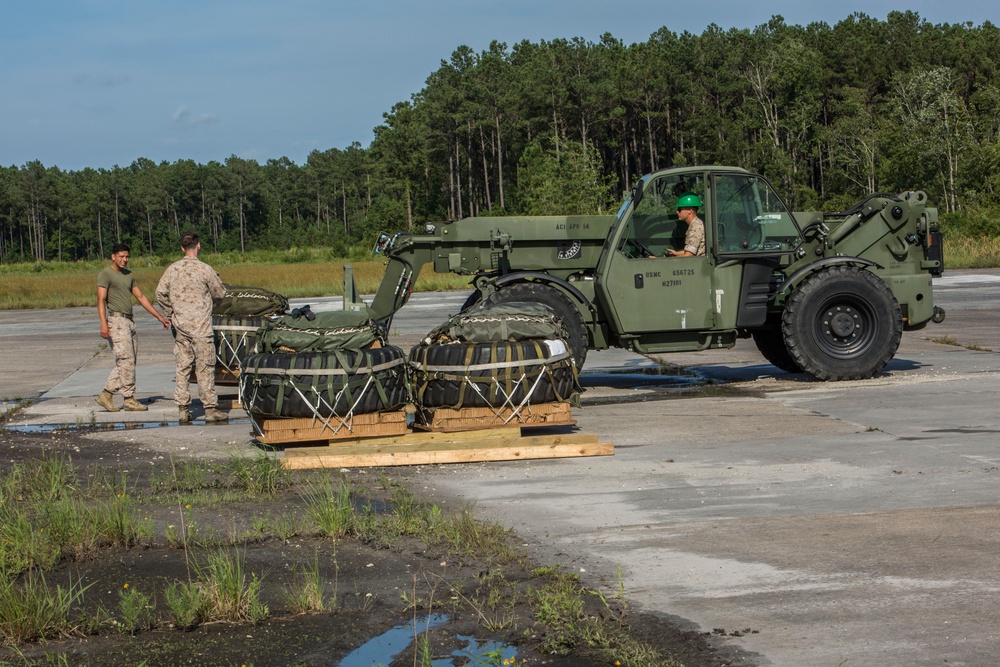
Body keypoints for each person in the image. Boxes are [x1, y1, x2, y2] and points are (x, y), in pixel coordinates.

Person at [155, 232, 227, 424]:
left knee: (182, 368)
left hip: (181, 328)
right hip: (201, 328)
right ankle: (210, 409)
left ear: (182, 248)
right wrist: (212, 306)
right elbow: (219, 293)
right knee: (204, 368)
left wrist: (171, 313)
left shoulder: (172, 269)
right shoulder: (205, 269)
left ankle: (183, 409)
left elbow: (160, 293)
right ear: (198, 246)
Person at [95, 243, 171, 412]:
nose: (124, 260)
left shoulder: (129, 275)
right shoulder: (105, 274)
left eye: (127, 256)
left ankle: (106, 394)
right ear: (113, 256)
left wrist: (159, 317)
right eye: (121, 256)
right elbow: (100, 300)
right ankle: (128, 399)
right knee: (125, 361)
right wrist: (103, 324)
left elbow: (141, 297)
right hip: (116, 321)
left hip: (129, 322)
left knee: (128, 362)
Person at [665, 193, 706, 257]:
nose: (677, 212)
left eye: (679, 209)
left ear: (690, 210)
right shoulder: (694, 224)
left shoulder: (695, 227)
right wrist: (676, 253)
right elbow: (690, 250)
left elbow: (688, 256)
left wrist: (663, 260)